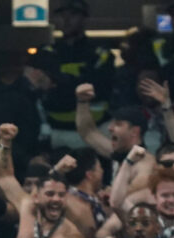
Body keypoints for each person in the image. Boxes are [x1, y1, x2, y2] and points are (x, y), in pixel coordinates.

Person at [41, 0, 114, 149]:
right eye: (62, 15)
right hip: (56, 131)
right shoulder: (46, 53)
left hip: (95, 130)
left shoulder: (100, 53)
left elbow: (100, 89)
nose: (66, 20)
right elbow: (39, 88)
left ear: (83, 18)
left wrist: (60, 83)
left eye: (73, 15)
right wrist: (77, 82)